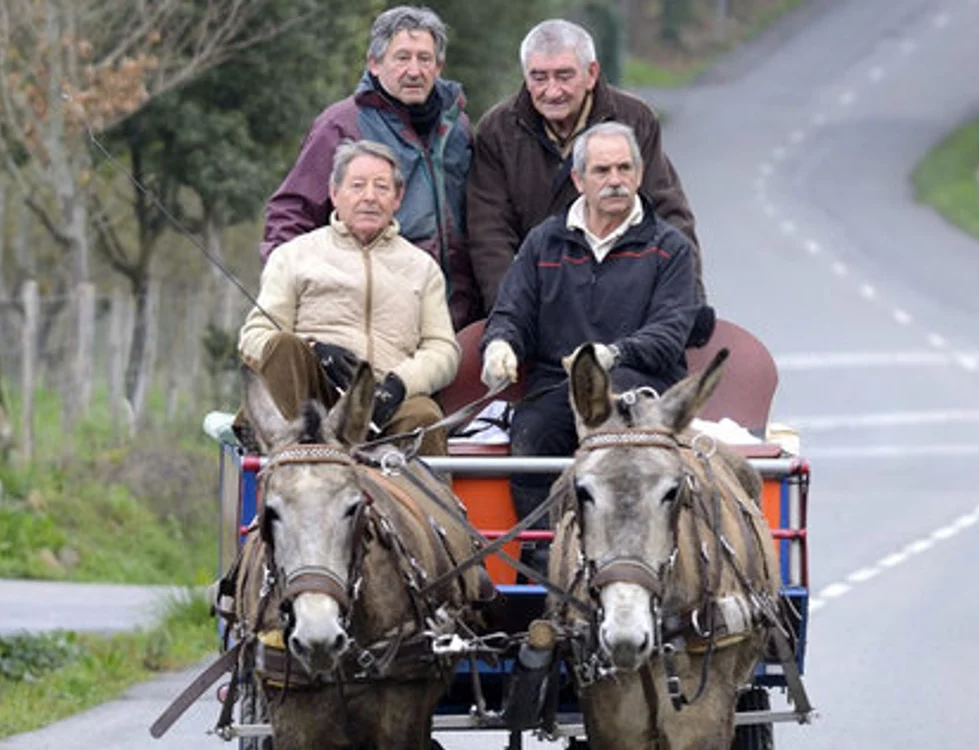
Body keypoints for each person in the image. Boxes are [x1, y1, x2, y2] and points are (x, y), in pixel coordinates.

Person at [478, 121, 699, 531]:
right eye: (602, 171)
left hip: (642, 389)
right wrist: (500, 345)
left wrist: (613, 354)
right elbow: (512, 312)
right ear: (579, 179)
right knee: (533, 432)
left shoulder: (670, 248)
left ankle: (639, 556)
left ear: (639, 173)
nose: (615, 180)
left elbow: (670, 332)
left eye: (624, 168)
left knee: (623, 444)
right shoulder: (544, 242)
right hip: (557, 390)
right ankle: (544, 553)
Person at [259, 6, 479, 328]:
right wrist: (288, 295)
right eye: (402, 58)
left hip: (455, 315)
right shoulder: (341, 125)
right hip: (367, 318)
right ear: (374, 64)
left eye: (425, 59)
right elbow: (291, 213)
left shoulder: (458, 128)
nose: (415, 70)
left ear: (439, 66)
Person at [466, 18, 701, 318]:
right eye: (539, 78)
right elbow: (490, 233)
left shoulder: (634, 119)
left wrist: (687, 300)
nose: (552, 91)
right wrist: (509, 315)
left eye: (564, 76)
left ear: (591, 74)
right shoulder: (497, 130)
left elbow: (668, 212)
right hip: (537, 294)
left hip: (627, 293)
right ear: (525, 77)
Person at [239, 140, 459, 456]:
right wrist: (314, 349)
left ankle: (433, 506)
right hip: (310, 401)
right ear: (334, 194)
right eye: (357, 186)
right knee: (283, 345)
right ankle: (287, 463)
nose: (369, 197)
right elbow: (255, 337)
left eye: (382, 187)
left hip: (384, 402)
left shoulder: (423, 268)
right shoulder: (293, 255)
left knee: (424, 417)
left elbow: (443, 350)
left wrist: (399, 385)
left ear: (398, 199)